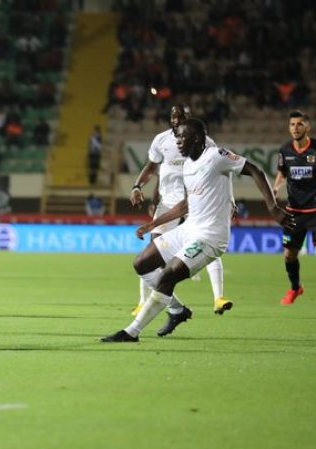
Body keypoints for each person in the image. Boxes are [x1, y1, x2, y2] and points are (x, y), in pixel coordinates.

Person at [102, 118, 294, 342]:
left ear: (196, 138)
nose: (178, 141)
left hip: (210, 236)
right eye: (177, 136)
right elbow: (185, 205)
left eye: (182, 137)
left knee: (169, 274)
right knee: (141, 263)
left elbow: (256, 170)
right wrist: (153, 224)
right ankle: (177, 310)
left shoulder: (216, 156)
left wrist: (272, 207)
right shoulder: (188, 166)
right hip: (189, 228)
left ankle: (131, 332)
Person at [130, 104, 233, 316]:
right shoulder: (161, 141)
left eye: (182, 116)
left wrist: (230, 199)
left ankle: (218, 297)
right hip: (169, 202)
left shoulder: (205, 142)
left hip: (196, 202)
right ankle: (146, 301)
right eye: (174, 116)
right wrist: (139, 187)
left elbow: (222, 172)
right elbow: (154, 170)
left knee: (205, 242)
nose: (177, 119)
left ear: (189, 118)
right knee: (152, 252)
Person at [272, 110, 316, 305]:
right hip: (294, 211)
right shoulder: (285, 150)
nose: (295, 128)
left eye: (299, 124)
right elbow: (282, 172)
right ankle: (295, 289)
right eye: (292, 125)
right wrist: (276, 187)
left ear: (307, 127)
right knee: (289, 255)